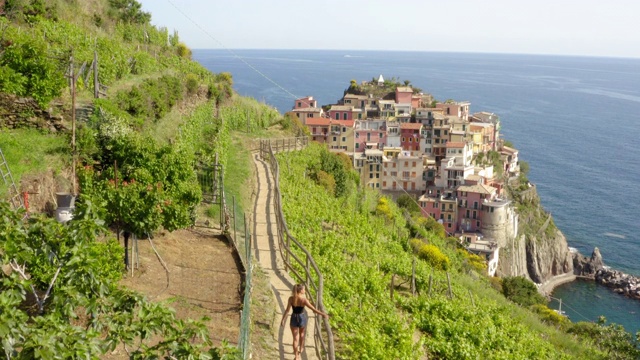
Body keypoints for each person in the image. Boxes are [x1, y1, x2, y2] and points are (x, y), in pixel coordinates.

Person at [280, 283, 329, 360]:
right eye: (304, 289)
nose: (305, 290)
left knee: (295, 339)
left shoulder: (291, 299)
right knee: (302, 334)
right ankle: (301, 349)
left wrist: (283, 320)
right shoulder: (304, 300)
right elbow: (314, 310)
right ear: (301, 290)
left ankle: (296, 356)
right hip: (302, 317)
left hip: (293, 317)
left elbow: (287, 310)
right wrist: (323, 314)